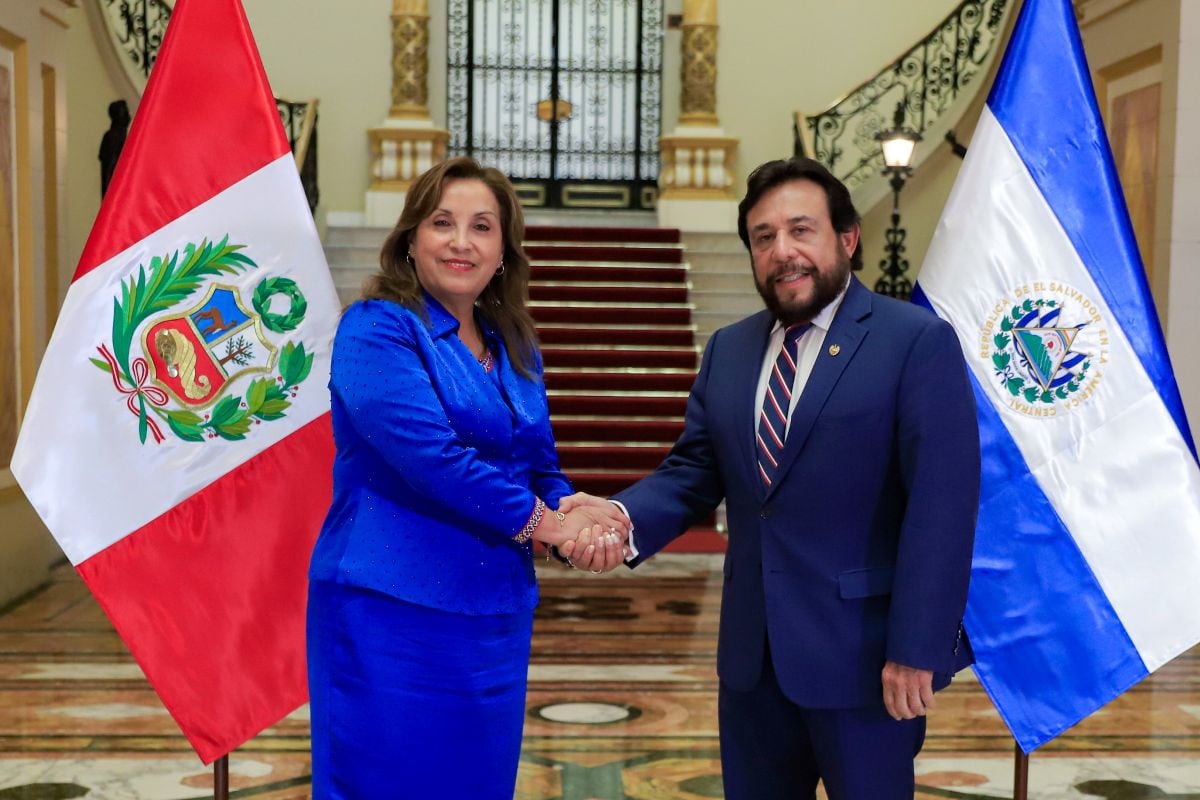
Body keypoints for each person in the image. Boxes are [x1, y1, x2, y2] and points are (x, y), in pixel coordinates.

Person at [561, 157, 980, 799]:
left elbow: (942, 506)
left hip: (866, 664)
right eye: (763, 237)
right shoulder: (729, 348)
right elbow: (695, 471)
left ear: (846, 238)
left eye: (800, 230)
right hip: (751, 666)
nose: (782, 251)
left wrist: (917, 647)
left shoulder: (914, 342)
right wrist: (622, 518)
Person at [306, 156, 630, 799]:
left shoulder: (513, 340)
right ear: (410, 239)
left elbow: (537, 463)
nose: (461, 241)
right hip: (389, 612)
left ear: (503, 248)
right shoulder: (376, 329)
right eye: (442, 222)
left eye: (482, 226)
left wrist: (581, 510)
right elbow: (433, 460)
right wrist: (551, 527)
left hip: (495, 615)